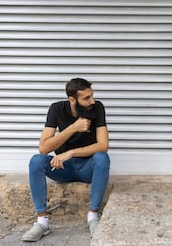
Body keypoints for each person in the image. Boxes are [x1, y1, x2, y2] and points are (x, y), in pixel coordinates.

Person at [22, 78, 110, 242]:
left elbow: (103, 145)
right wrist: (73, 128)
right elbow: (44, 148)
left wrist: (71, 152)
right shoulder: (57, 109)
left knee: (102, 158)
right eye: (86, 98)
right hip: (63, 168)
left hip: (87, 168)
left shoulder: (97, 107)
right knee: (36, 161)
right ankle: (42, 222)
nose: (92, 101)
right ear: (72, 100)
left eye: (92, 96)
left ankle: (93, 216)